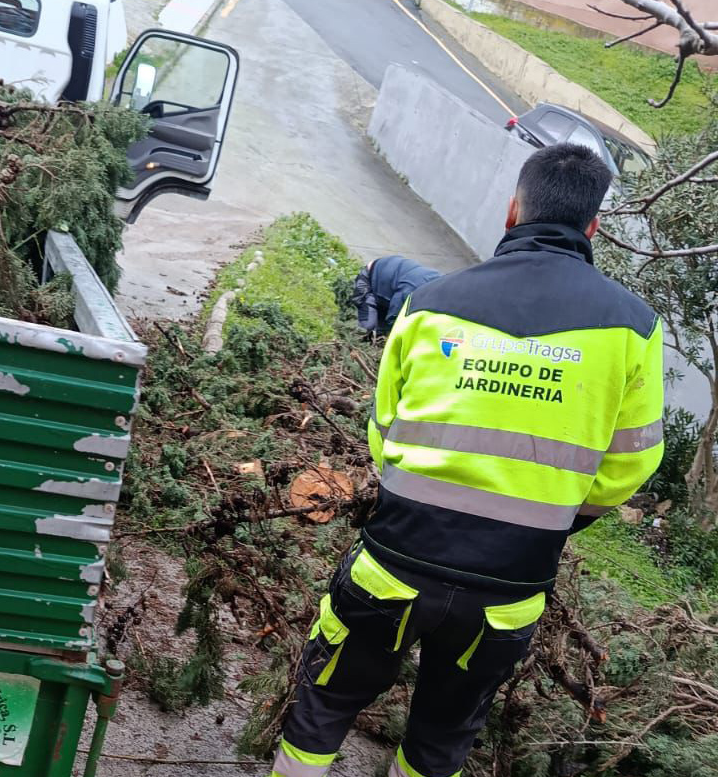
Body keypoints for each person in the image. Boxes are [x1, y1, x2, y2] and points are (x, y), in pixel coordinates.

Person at [270, 143, 664, 777]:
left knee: (325, 704)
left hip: (393, 568)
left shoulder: (430, 303)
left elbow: (384, 429)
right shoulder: (634, 328)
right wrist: (549, 521)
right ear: (593, 226)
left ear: (513, 211)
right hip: (508, 593)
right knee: (442, 738)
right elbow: (631, 464)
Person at [351, 256, 441, 337]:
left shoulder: (439, 284)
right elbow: (393, 318)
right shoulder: (410, 289)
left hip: (388, 288)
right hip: (368, 279)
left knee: (383, 329)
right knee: (368, 327)